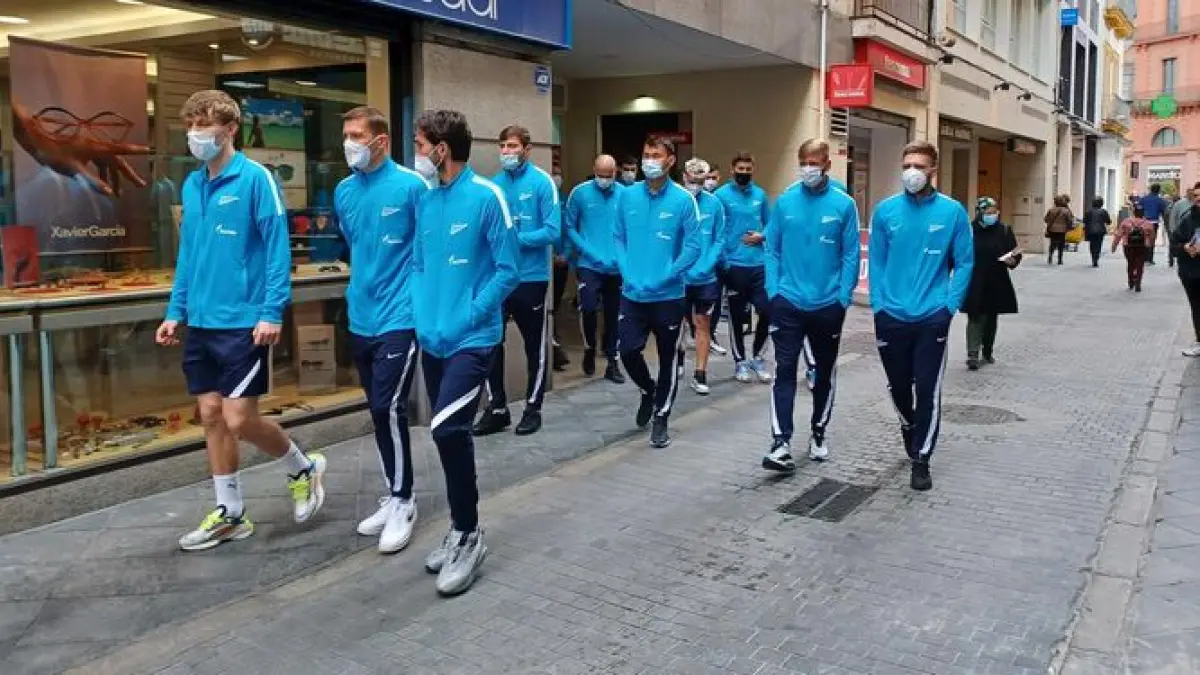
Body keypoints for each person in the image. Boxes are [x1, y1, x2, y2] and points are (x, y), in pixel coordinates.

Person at [156, 90, 326, 551]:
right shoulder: (193, 186)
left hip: (244, 322)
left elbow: (276, 250)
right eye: (191, 125)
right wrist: (176, 311)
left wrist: (272, 311)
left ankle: (302, 467)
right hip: (201, 321)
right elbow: (189, 256)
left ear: (230, 129)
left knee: (238, 418)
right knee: (211, 415)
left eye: (204, 126)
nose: (195, 134)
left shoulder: (256, 180)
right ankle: (230, 513)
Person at [411, 109, 519, 596]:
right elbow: (418, 264)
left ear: (441, 149)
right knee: (451, 438)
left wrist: (469, 315)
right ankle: (460, 528)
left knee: (447, 428)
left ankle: (471, 536)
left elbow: (507, 270)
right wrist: (421, 316)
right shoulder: (426, 198)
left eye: (420, 145)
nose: (416, 154)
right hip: (432, 338)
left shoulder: (487, 196)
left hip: (473, 340)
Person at [336, 106, 428, 553]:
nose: (349, 143)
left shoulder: (412, 187)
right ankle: (393, 491)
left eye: (357, 135)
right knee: (377, 411)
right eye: (347, 135)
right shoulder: (344, 191)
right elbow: (355, 245)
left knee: (389, 407)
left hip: (400, 317)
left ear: (381, 141)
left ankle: (405, 500)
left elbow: (428, 250)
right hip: (361, 316)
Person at [870, 140, 974, 492]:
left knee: (927, 389)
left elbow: (965, 262)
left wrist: (949, 307)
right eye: (907, 165)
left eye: (919, 166)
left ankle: (921, 459)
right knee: (899, 386)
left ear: (933, 170)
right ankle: (909, 425)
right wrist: (879, 305)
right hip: (891, 315)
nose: (911, 172)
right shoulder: (885, 211)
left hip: (932, 317)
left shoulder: (952, 212)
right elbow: (878, 261)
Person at [761, 139, 858, 472]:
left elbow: (850, 253)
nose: (808, 168)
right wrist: (773, 290)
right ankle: (780, 442)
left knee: (823, 373)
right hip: (787, 302)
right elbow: (771, 248)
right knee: (784, 370)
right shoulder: (785, 201)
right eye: (803, 162)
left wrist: (843, 297)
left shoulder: (844, 205)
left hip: (827, 304)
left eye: (814, 162)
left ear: (827, 164)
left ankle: (818, 429)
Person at [473, 125, 561, 437]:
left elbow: (552, 231)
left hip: (531, 278)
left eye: (512, 146)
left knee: (534, 346)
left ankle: (533, 408)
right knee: (489, 343)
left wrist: (514, 239)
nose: (507, 152)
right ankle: (497, 408)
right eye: (503, 146)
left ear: (527, 149)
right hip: (498, 278)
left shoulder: (542, 183)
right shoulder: (494, 186)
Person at [614, 135, 701, 448]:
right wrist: (626, 271)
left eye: (656, 155)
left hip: (668, 297)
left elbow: (693, 246)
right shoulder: (627, 196)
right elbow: (618, 237)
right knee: (627, 351)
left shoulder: (683, 200)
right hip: (633, 294)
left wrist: (668, 275)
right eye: (646, 154)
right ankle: (648, 390)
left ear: (670, 161)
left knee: (669, 360)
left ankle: (662, 417)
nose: (649, 161)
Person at [565, 154, 626, 383]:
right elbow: (569, 227)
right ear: (593, 170)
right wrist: (587, 252)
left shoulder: (625, 194)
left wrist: (624, 257)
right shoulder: (580, 193)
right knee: (588, 308)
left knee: (614, 315)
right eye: (600, 175)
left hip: (616, 267)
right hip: (589, 264)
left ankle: (612, 361)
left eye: (608, 175)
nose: (604, 179)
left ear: (615, 172)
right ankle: (589, 348)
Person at [715, 151, 773, 384]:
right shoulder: (720, 196)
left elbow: (771, 224)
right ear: (732, 170)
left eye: (748, 170)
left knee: (768, 310)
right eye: (740, 169)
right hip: (734, 265)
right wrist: (724, 262)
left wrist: (762, 235)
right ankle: (740, 361)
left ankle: (758, 357)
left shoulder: (760, 195)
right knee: (737, 316)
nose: (744, 173)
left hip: (759, 264)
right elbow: (716, 230)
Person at [680, 157, 726, 395]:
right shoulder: (677, 200)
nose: (696, 185)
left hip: (706, 278)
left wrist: (707, 264)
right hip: (679, 277)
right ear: (684, 177)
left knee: (702, 323)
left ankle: (700, 373)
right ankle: (677, 361)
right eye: (692, 180)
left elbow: (719, 238)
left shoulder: (714, 204)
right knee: (677, 324)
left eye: (700, 181)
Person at [962, 197, 1021, 371]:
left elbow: (1014, 251)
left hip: (996, 280)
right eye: (988, 212)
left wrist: (1013, 260)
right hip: (975, 279)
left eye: (994, 212)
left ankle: (987, 350)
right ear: (979, 213)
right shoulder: (969, 231)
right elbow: (959, 253)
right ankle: (973, 354)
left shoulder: (1004, 230)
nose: (992, 215)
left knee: (990, 318)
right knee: (975, 316)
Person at [1171, 193, 1200, 357]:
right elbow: (1174, 245)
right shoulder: (1187, 220)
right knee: (1197, 307)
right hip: (1192, 272)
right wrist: (1185, 248)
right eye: (1196, 196)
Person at [1112, 204, 1155, 293]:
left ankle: (1131, 282)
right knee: (1140, 265)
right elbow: (1152, 237)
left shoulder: (1126, 222)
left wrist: (1114, 246)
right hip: (1142, 246)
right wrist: (1150, 244)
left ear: (1134, 213)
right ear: (1143, 213)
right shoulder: (1148, 224)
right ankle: (1138, 284)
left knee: (1130, 263)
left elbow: (1118, 235)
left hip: (1128, 246)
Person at [1166, 185, 1197, 269]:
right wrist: (1172, 230)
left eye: (1192, 191)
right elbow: (1173, 217)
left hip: (1193, 232)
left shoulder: (1196, 202)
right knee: (1178, 247)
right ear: (1187, 192)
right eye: (1189, 191)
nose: (1191, 193)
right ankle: (1171, 260)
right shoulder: (1179, 204)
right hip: (1181, 231)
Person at [1141, 184, 1169, 265]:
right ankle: (1150, 259)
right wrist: (1166, 224)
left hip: (1144, 222)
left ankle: (1144, 258)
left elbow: (1138, 209)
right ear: (1158, 190)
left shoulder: (1144, 199)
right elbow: (1164, 212)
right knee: (1152, 240)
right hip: (1154, 222)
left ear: (1150, 189)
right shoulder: (1160, 200)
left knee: (1144, 239)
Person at [1043, 194, 1074, 265]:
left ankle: (1050, 256)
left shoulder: (1051, 210)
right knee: (1061, 244)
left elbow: (1046, 219)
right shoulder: (1066, 211)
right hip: (1062, 230)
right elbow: (1069, 220)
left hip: (1052, 229)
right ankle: (1060, 259)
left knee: (1052, 243)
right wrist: (1069, 227)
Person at [1082, 197, 1111, 267]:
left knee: (1092, 244)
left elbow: (1085, 221)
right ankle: (1096, 258)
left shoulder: (1088, 211)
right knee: (1098, 245)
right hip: (1100, 231)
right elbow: (1108, 221)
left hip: (1090, 230)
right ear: (1101, 204)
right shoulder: (1103, 211)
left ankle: (1093, 258)